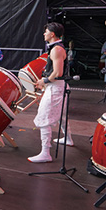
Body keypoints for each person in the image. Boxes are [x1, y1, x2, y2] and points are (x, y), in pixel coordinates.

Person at [29, 22, 73, 163]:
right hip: (58, 87)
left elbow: (58, 72)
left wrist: (44, 81)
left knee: (44, 117)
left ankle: (45, 152)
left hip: (56, 88)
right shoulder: (56, 48)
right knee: (61, 115)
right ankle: (68, 138)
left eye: (46, 31)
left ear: (52, 34)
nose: (44, 34)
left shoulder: (56, 50)